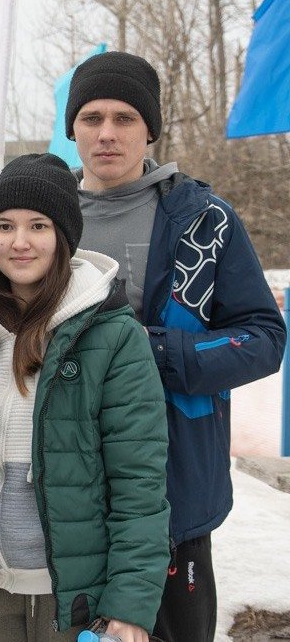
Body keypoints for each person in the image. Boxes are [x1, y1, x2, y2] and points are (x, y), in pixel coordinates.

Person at [64, 51, 287, 642]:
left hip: (173, 487)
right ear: (72, 129)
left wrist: (151, 352)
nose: (107, 133)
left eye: (124, 118)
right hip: (63, 491)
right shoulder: (41, 218)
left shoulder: (203, 220)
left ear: (150, 129)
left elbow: (264, 338)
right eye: (91, 117)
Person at [0, 153, 170, 641]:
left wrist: (131, 605)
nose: (20, 242)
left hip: (75, 598)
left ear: (64, 237)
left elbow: (140, 482)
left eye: (39, 225)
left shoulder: (112, 336)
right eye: (4, 226)